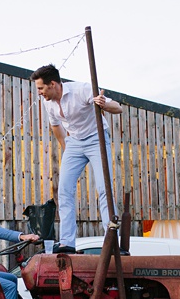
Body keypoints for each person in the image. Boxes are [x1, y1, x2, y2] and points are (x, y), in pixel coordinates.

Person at [31, 64, 122, 254]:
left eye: (40, 88)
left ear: (53, 84)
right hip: (74, 142)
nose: (39, 93)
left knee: (104, 188)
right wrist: (68, 149)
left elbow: (118, 108)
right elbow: (56, 127)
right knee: (64, 190)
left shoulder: (82, 90)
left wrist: (103, 103)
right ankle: (67, 242)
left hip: (96, 138)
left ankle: (112, 240)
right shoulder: (48, 103)